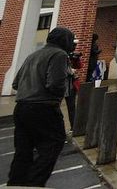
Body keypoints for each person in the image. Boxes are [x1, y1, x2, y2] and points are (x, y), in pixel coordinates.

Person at [8, 26, 74, 187]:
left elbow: (16, 83)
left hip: (22, 107)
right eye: (72, 41)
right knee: (53, 144)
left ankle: (16, 182)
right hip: (44, 107)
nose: (73, 44)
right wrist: (66, 82)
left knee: (23, 150)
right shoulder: (59, 55)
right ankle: (34, 182)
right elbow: (55, 84)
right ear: (65, 41)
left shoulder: (33, 55)